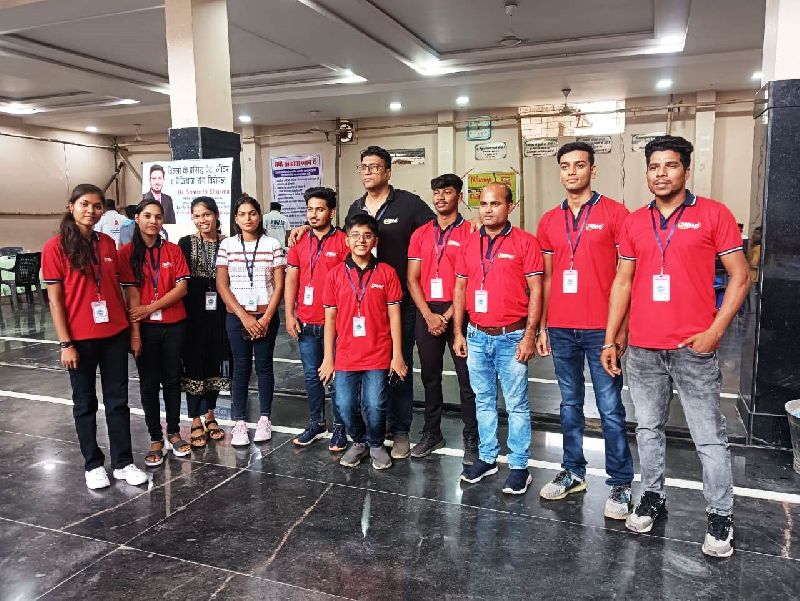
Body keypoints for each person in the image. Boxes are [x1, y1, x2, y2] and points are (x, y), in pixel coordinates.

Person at [601, 135, 749, 558]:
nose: (661, 174)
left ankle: (720, 515)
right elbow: (623, 282)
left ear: (686, 169)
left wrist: (715, 331)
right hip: (644, 350)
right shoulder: (634, 222)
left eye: (670, 165)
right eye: (654, 167)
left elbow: (740, 276)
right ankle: (653, 496)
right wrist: (612, 337)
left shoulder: (713, 214)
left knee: (708, 438)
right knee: (648, 430)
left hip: (693, 348)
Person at [289, 146, 434, 459]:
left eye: (375, 167)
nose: (368, 172)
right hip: (359, 302)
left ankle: (399, 431)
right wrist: (306, 228)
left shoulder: (409, 203)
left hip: (396, 299)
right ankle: (372, 433)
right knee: (365, 379)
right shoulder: (356, 206)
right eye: (364, 167)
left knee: (398, 367)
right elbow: (341, 237)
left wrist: (469, 223)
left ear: (388, 172)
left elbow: (437, 230)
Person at [534, 141, 634, 519]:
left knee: (609, 408)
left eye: (579, 165)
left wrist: (619, 330)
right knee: (569, 404)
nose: (571, 172)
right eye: (565, 166)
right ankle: (573, 471)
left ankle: (620, 482)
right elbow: (546, 278)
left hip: (601, 330)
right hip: (561, 328)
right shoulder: (549, 220)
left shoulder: (615, 214)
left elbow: (628, 275)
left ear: (593, 170)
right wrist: (543, 325)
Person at [42, 183, 147, 490]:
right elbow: (55, 301)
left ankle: (123, 462)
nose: (91, 210)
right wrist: (66, 343)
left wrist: (130, 330)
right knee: (85, 402)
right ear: (71, 206)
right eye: (84, 204)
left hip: (114, 333)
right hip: (80, 339)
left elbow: (120, 287)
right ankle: (93, 464)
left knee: (118, 402)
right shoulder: (55, 247)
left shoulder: (107, 243)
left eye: (97, 206)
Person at [453, 183, 543, 495]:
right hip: (476, 335)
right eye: (483, 204)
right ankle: (487, 457)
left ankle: (519, 466)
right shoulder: (468, 243)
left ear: (510, 207)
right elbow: (460, 288)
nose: (488, 209)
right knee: (483, 400)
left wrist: (529, 335)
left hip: (511, 336)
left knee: (516, 404)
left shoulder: (525, 242)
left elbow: (537, 291)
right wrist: (459, 332)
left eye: (495, 204)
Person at [318, 214, 408, 470]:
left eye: (367, 236)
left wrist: (397, 356)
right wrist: (328, 358)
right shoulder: (334, 275)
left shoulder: (387, 273)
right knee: (344, 404)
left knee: (375, 404)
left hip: (378, 353)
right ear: (347, 240)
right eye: (355, 235)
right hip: (346, 354)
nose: (361, 240)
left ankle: (376, 443)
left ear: (375, 241)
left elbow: (395, 316)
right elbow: (330, 320)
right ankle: (359, 441)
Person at [407, 173, 478, 464]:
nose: (440, 198)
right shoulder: (421, 234)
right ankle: (431, 432)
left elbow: (473, 279)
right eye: (436, 192)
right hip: (427, 311)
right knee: (430, 377)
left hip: (460, 311)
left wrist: (447, 316)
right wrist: (428, 315)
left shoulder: (472, 231)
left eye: (447, 192)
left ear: (459, 197)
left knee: (467, 380)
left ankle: (472, 437)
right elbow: (412, 279)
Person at [119, 200, 191, 466]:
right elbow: (132, 296)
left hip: (174, 325)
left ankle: (174, 432)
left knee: (172, 380)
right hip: (146, 329)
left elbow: (182, 289)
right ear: (137, 218)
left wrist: (151, 307)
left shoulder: (172, 250)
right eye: (147, 216)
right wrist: (135, 334)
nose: (153, 221)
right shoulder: (126, 254)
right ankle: (155, 438)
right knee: (149, 383)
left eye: (158, 217)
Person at [216, 196, 286, 446]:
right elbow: (222, 285)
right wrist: (243, 316)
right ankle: (239, 422)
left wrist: (266, 317)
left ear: (259, 216)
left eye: (253, 213)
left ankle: (265, 418)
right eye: (242, 214)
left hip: (266, 316)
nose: (248, 218)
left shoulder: (272, 244)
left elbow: (279, 285)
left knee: (265, 367)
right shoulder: (227, 245)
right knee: (241, 367)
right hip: (237, 317)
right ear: (236, 219)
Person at [285, 187, 349, 451]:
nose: (313, 214)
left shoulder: (344, 241)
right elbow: (291, 279)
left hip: (335, 324)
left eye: (319, 209)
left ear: (331, 212)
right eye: (310, 209)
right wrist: (289, 314)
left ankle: (340, 427)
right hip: (306, 322)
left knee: (337, 378)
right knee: (312, 377)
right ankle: (317, 423)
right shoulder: (298, 241)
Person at [178, 197, 232, 448]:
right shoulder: (185, 243)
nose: (202, 220)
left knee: (215, 361)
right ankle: (195, 419)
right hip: (193, 313)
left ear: (216, 215)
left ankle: (211, 415)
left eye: (206, 214)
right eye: (197, 216)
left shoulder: (228, 243)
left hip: (220, 312)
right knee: (194, 363)